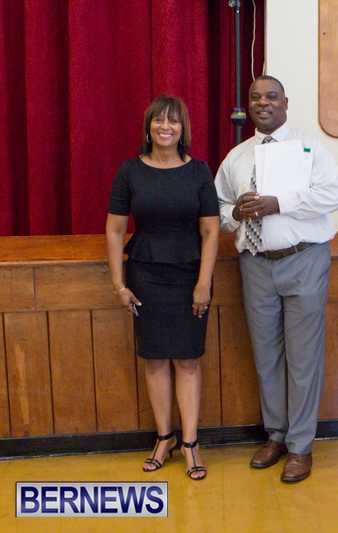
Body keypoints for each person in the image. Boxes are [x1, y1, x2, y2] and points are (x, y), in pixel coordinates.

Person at [215, 75, 338, 483]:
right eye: (255, 97)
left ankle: (301, 446)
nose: (263, 103)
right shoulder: (237, 157)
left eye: (271, 96)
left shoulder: (310, 148)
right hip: (255, 264)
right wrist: (235, 213)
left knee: (303, 359)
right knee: (266, 356)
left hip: (303, 260)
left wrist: (278, 203)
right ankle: (276, 435)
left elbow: (333, 196)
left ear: (286, 102)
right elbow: (218, 207)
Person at [106, 95, 220, 481]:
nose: (165, 127)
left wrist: (203, 283)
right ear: (148, 127)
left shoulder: (199, 171)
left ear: (183, 128)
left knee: (188, 360)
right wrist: (119, 284)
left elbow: (211, 231)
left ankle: (190, 443)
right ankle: (164, 437)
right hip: (146, 275)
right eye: (158, 120)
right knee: (154, 359)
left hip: (190, 276)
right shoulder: (130, 171)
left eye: (173, 121)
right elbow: (115, 229)